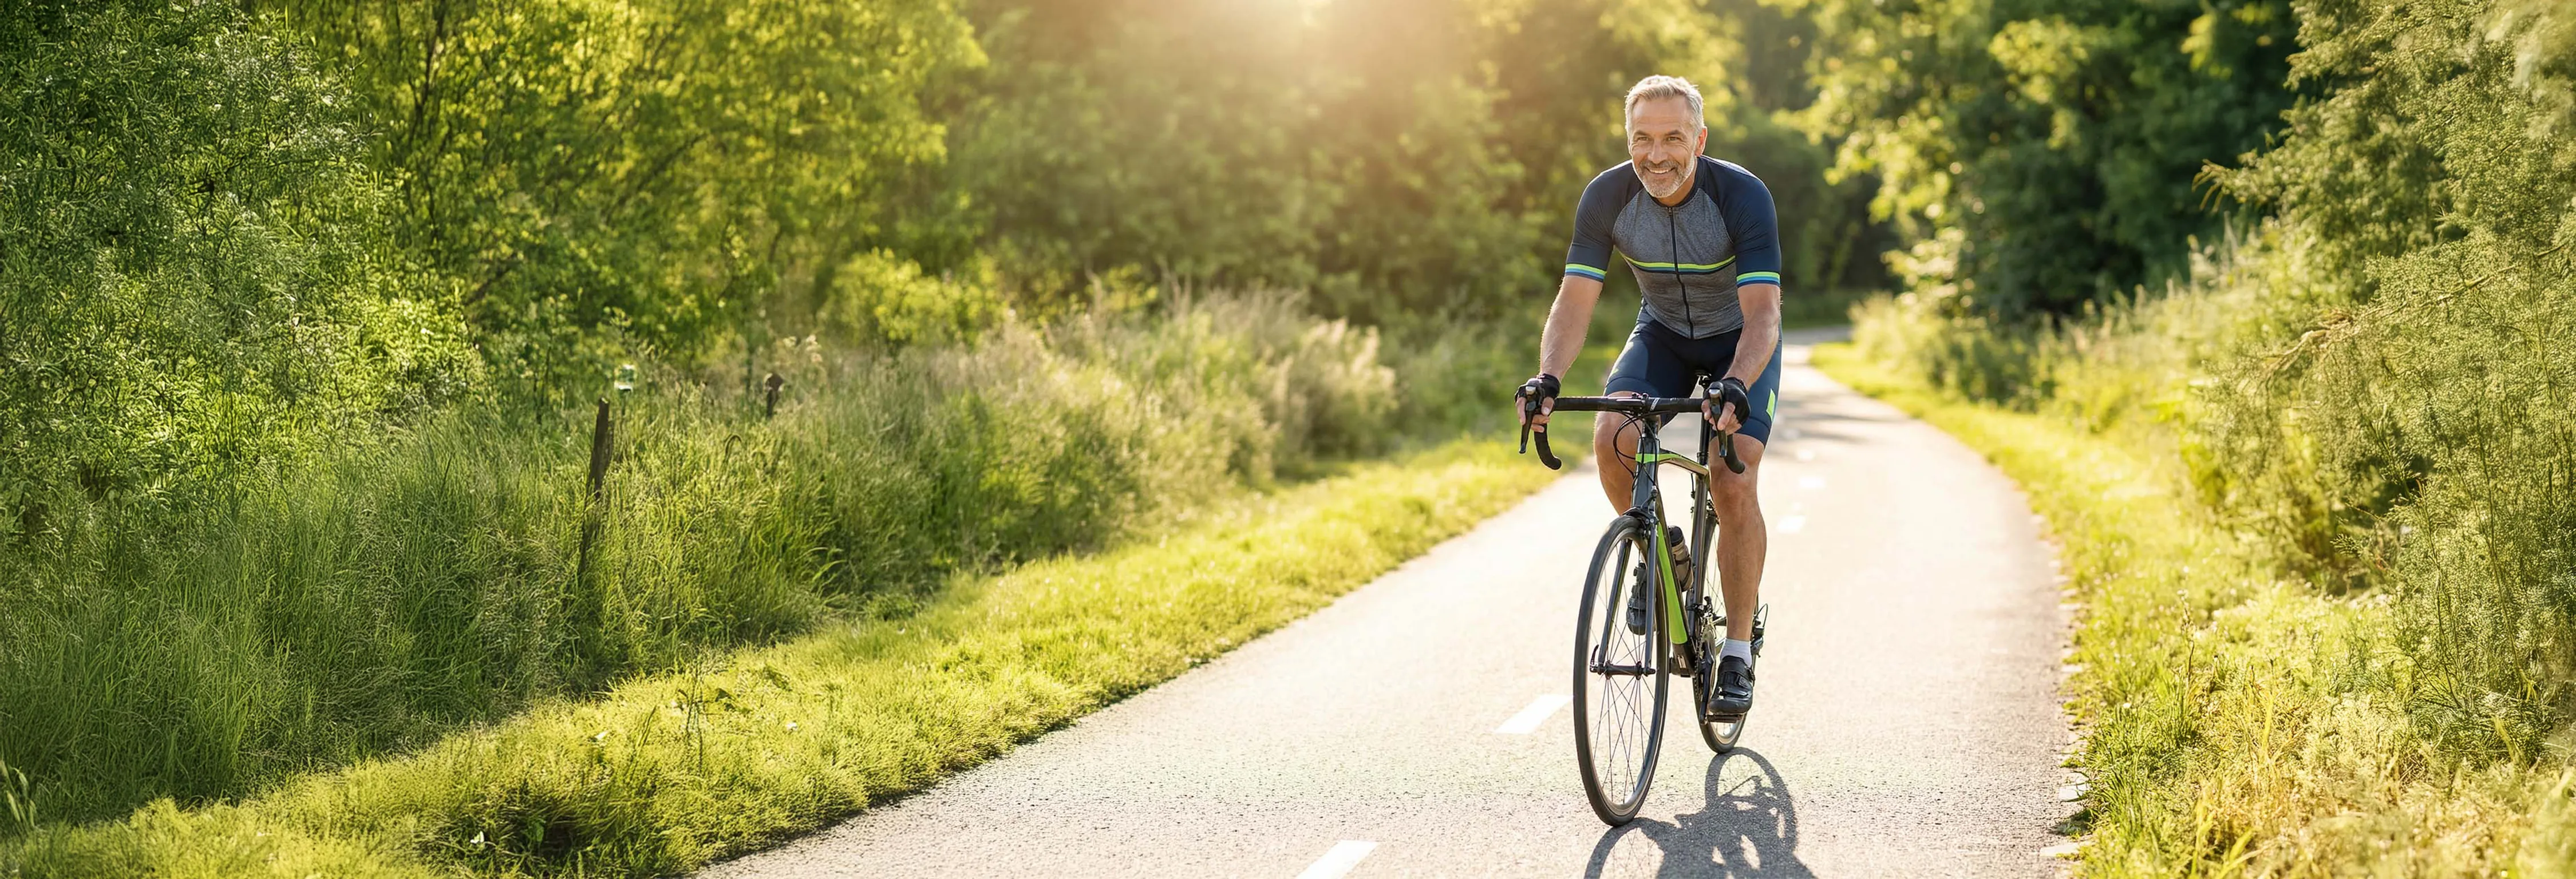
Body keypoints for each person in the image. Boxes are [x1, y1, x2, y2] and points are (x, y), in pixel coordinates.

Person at [1514, 75, 1782, 720]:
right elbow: (1575, 299)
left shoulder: (1740, 195)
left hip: (1737, 341)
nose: (1656, 154)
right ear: (1627, 139)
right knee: (1612, 436)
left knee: (1731, 470)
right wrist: (1548, 375)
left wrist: (1738, 386)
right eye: (1642, 138)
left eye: (1672, 138)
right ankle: (1661, 556)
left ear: (1700, 139)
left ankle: (1739, 653)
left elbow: (1764, 314)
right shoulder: (1606, 196)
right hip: (1660, 332)